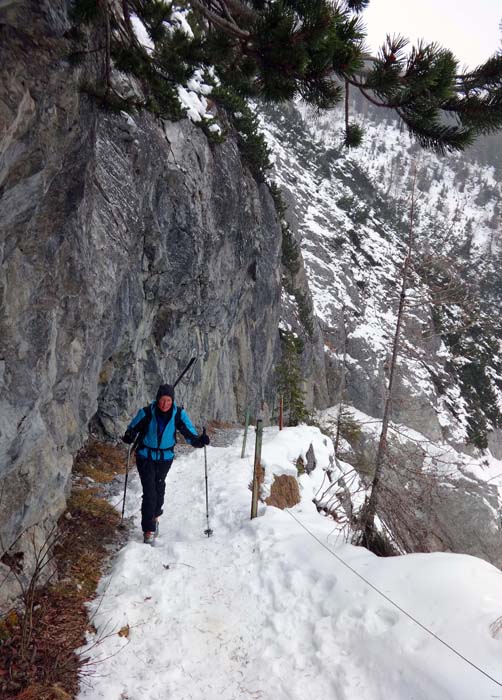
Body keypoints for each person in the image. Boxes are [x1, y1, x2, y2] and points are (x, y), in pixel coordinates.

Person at [123, 384, 209, 545]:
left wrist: (199, 441)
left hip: (165, 458)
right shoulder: (147, 412)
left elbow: (189, 434)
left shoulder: (179, 415)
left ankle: (155, 516)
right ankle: (148, 529)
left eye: (168, 400)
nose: (165, 404)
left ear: (172, 401)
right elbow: (132, 428)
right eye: (163, 400)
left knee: (159, 488)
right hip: (145, 457)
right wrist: (129, 435)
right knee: (150, 492)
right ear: (158, 399)